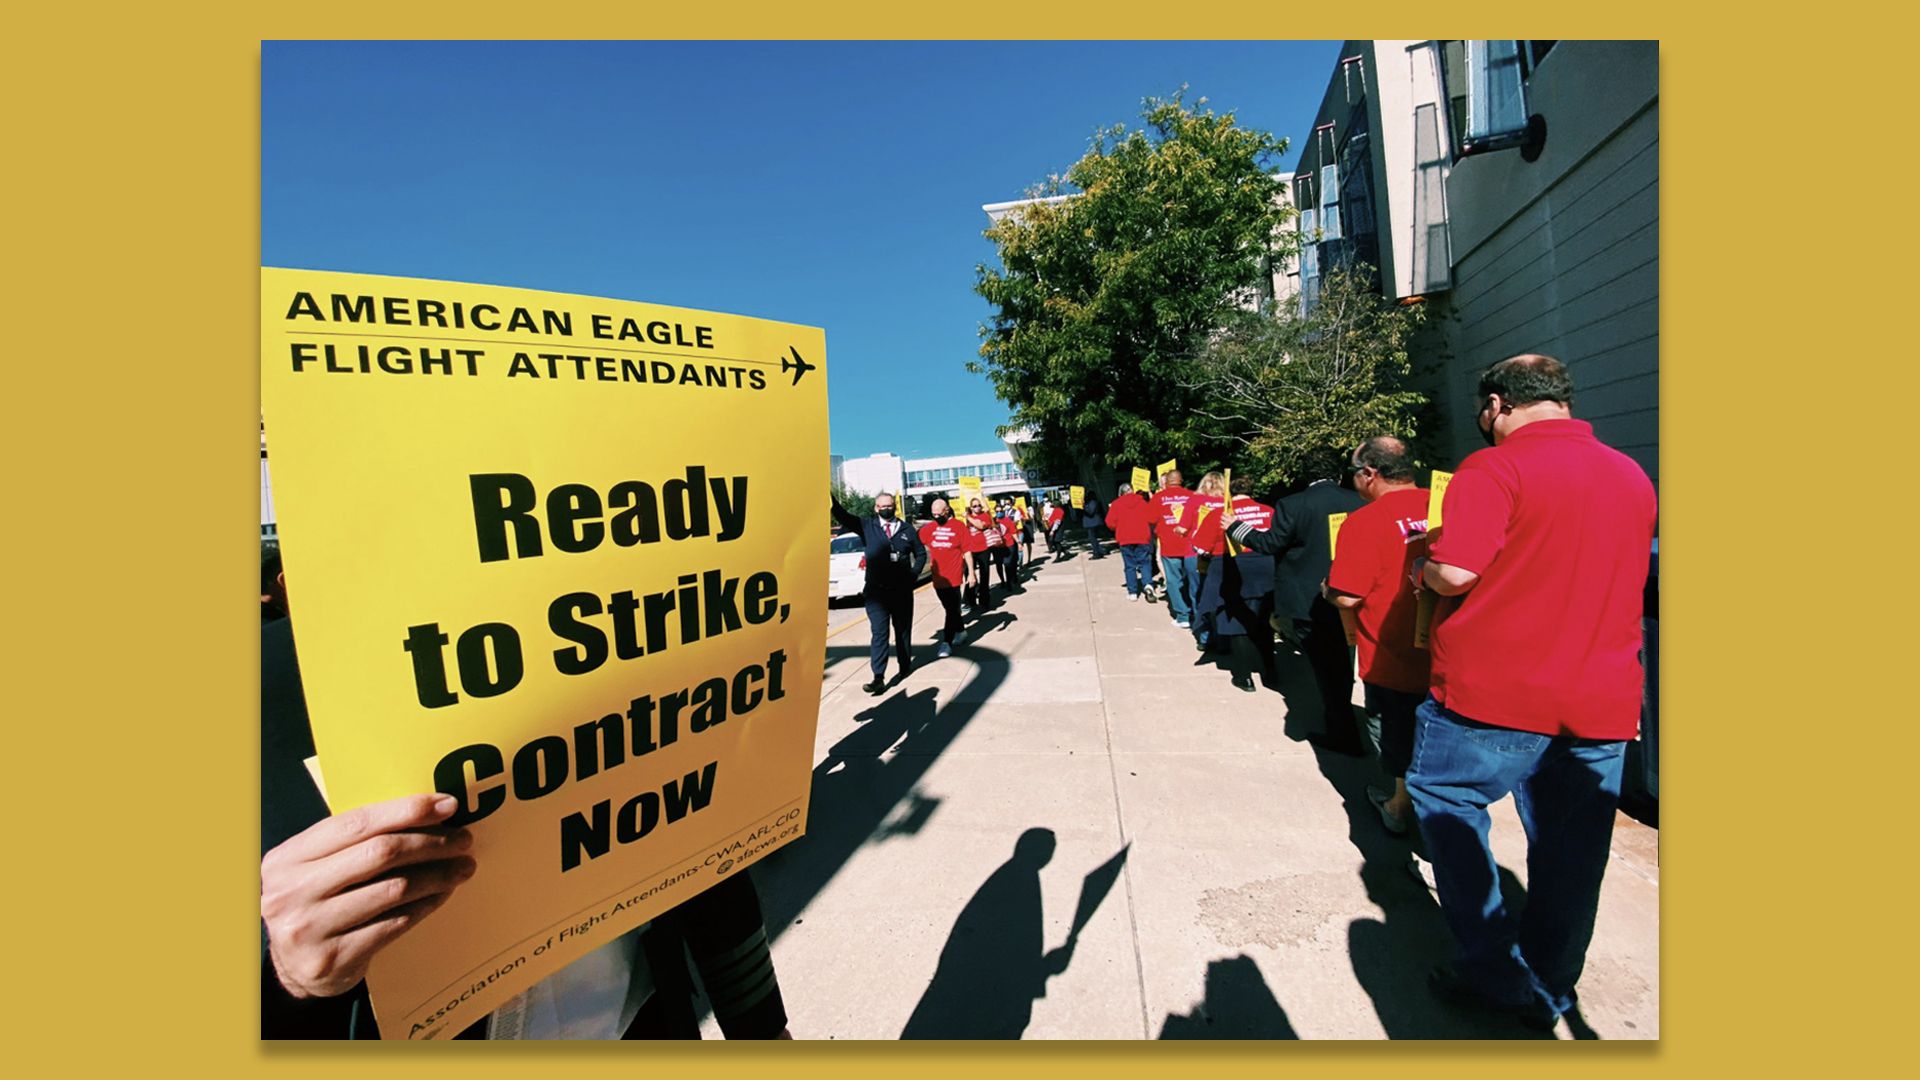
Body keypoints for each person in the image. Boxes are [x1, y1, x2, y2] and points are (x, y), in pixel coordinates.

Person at [261, 600, 792, 1039]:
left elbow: (694, 833)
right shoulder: (263, 688)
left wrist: (762, 1026)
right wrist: (290, 981)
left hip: (647, 1021)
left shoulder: (624, 614)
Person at [1406, 354, 1657, 1030]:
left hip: (1495, 695)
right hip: (1600, 699)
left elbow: (1457, 570)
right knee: (1573, 853)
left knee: (1448, 804)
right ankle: (1550, 984)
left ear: (1495, 405)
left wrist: (1424, 564)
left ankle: (1492, 970)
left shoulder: (1493, 467)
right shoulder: (1630, 474)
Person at [1320, 436, 1431, 836]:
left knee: (1396, 736)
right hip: (1450, 655)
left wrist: (1326, 590)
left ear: (1370, 473)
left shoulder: (1365, 521)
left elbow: (1348, 595)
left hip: (1391, 658)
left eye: (1354, 472)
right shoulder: (1448, 504)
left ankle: (1403, 806)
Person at [1222, 449, 1365, 753]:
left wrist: (1235, 526)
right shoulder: (1358, 500)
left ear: (1304, 475)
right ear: (1338, 473)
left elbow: (1269, 543)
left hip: (1309, 600)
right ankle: (1345, 720)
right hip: (1351, 594)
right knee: (1344, 663)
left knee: (1328, 670)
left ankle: (1342, 732)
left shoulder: (1293, 505)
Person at [833, 492, 928, 695]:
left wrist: (913, 575)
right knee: (879, 633)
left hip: (901, 592)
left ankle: (904, 665)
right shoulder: (867, 526)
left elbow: (921, 554)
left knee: (902, 630)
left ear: (894, 506)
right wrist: (828, 497)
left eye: (890, 505)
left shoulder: (907, 530)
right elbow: (843, 515)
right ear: (876, 508)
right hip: (877, 593)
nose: (887, 508)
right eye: (883, 506)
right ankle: (878, 677)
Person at [1191, 476, 1277, 692]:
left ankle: (1243, 676)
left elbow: (1200, 547)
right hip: (1265, 569)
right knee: (1264, 621)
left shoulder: (1219, 514)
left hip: (1231, 569)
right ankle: (1271, 672)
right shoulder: (1268, 511)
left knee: (1236, 621)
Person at [918, 497, 975, 658]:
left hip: (954, 576)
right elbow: (915, 541)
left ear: (947, 510)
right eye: (933, 514)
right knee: (950, 608)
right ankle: (961, 631)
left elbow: (967, 551)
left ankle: (946, 642)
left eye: (939, 513)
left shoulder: (959, 527)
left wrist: (971, 573)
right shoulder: (929, 528)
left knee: (951, 609)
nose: (937, 517)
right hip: (938, 577)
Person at [1150, 469, 1199, 631]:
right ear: (1181, 480)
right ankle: (1197, 613)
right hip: (1191, 544)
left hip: (1169, 544)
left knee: (1173, 580)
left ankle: (1183, 616)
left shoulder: (1159, 498)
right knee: (1193, 580)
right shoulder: (1192, 496)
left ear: (1166, 482)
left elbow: (1150, 519)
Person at [1104, 483, 1156, 600]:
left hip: (1125, 538)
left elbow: (1110, 523)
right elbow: (1151, 518)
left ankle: (1133, 592)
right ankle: (1148, 584)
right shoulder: (1142, 502)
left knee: (1130, 566)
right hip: (1142, 537)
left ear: (1121, 493)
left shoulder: (1116, 504)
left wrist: (1118, 526)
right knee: (1145, 563)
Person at [965, 497, 999, 611]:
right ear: (970, 507)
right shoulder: (966, 519)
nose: (977, 507)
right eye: (974, 506)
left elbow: (980, 525)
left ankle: (984, 601)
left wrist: (968, 517)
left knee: (985, 576)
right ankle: (970, 600)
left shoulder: (984, 516)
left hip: (983, 549)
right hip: (970, 550)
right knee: (969, 575)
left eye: (979, 505)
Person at [1079, 488, 1106, 559]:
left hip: (1093, 523)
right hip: (1091, 523)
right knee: (1093, 539)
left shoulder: (1093, 502)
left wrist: (1084, 506)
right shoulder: (1091, 502)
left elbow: (1090, 512)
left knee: (1093, 539)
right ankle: (1099, 551)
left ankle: (1097, 553)